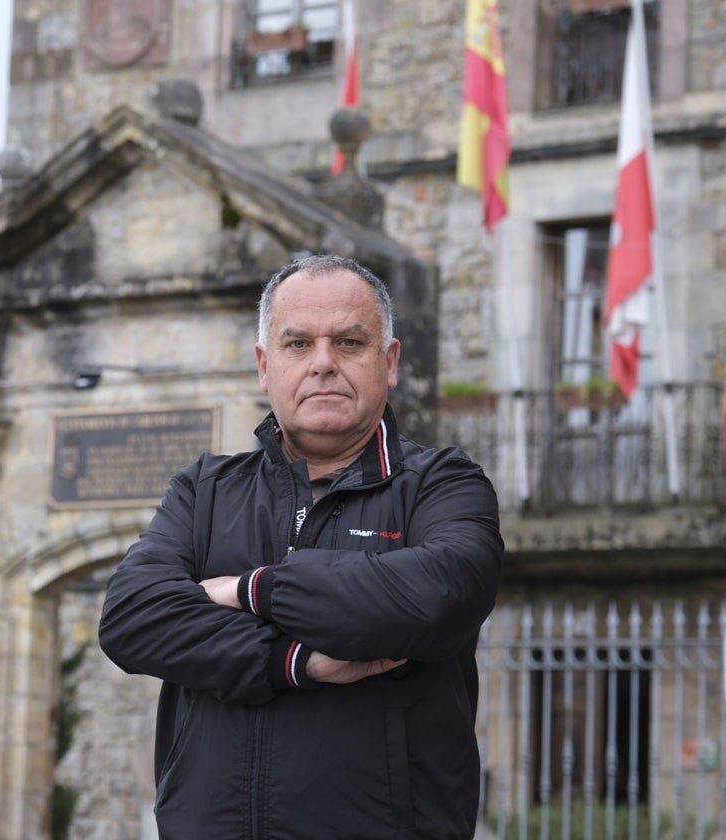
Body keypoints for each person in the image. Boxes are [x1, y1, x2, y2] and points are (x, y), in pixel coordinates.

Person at [98, 254, 503, 839]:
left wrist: (248, 588)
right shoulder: (203, 492)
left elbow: (437, 595)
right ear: (265, 367)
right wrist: (293, 661)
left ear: (388, 363)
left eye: (349, 342)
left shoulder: (443, 485)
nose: (323, 364)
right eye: (297, 344)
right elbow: (133, 618)